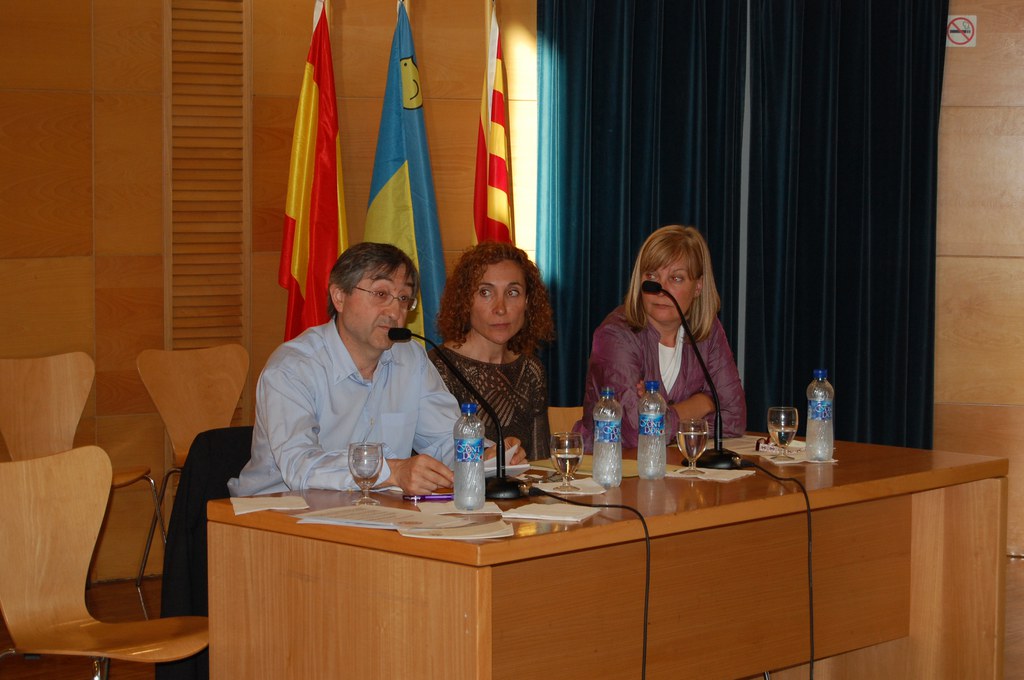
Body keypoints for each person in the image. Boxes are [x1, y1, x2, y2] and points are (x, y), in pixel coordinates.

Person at [229, 242, 464, 497]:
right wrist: (390, 471)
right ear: (339, 297)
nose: (395, 311)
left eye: (404, 298)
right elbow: (300, 466)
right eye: (381, 294)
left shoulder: (410, 358)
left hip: (369, 509)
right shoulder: (293, 367)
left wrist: (483, 456)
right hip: (276, 511)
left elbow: (444, 440)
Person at [578, 225, 746, 448]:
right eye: (652, 276)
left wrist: (660, 415)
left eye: (676, 278)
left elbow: (734, 418)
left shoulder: (708, 331)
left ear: (698, 287)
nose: (660, 288)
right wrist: (703, 402)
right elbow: (636, 432)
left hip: (674, 463)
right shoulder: (615, 335)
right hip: (610, 464)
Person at [430, 242, 555, 461]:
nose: (500, 308)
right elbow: (435, 461)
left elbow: (540, 463)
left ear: (527, 302)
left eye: (513, 292)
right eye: (485, 292)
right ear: (465, 300)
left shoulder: (531, 369)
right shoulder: (437, 368)